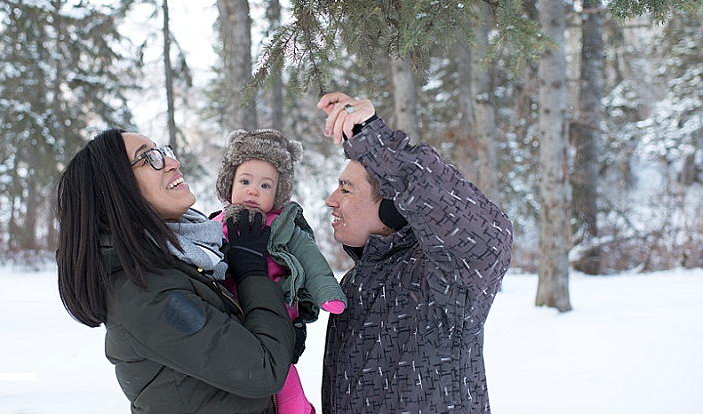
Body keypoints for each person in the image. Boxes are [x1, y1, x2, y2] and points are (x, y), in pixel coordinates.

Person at [56, 129, 296, 414]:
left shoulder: (186, 256)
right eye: (148, 158)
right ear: (118, 191)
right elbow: (263, 369)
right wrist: (253, 275)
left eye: (163, 151)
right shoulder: (147, 295)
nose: (172, 162)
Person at [317, 92, 514, 414]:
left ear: (393, 206)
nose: (330, 199)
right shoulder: (357, 280)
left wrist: (374, 140)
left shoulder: (440, 278)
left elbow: (489, 235)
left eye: (346, 188)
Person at [213, 128, 347, 414]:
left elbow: (312, 261)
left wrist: (327, 292)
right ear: (229, 184)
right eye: (245, 181)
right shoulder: (214, 226)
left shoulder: (284, 228)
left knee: (284, 381)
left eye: (265, 186)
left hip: (276, 321)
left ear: (278, 193)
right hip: (231, 322)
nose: (253, 190)